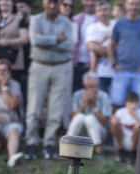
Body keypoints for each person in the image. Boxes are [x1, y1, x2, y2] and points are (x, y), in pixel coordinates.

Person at [23, 0, 74, 160]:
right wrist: (55, 39)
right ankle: (31, 143)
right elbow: (35, 41)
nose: (52, 6)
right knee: (34, 107)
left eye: (55, 3)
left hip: (61, 66)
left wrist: (45, 40)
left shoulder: (67, 23)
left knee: (56, 108)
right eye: (49, 2)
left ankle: (49, 144)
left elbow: (68, 45)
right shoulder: (36, 20)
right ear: (44, 3)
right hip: (40, 65)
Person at [107, 0, 140, 109]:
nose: (134, 6)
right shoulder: (119, 23)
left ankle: (136, 126)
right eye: (131, 3)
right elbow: (111, 45)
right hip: (121, 71)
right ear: (126, 5)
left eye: (137, 4)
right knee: (116, 103)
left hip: (139, 72)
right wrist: (114, 64)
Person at [0, 0, 28, 81]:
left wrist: (8, 42)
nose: (4, 3)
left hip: (12, 61)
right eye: (1, 0)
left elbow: (24, 39)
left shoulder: (19, 19)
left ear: (12, 3)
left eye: (7, 1)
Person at [67, 71, 110, 151]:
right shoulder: (77, 94)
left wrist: (94, 106)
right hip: (81, 134)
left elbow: (104, 122)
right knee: (79, 117)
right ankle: (67, 145)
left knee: (90, 118)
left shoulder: (104, 96)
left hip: (99, 133)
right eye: (92, 86)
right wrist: (83, 105)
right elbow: (71, 118)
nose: (95, 89)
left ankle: (98, 148)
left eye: (97, 86)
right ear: (85, 85)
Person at [85, 0, 114, 92]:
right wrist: (111, 50)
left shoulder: (117, 25)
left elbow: (123, 47)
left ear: (110, 11)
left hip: (117, 72)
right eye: (100, 10)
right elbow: (91, 46)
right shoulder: (92, 28)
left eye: (105, 9)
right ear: (96, 12)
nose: (103, 12)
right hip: (99, 73)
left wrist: (100, 48)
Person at [110, 90, 140, 161]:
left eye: (136, 102)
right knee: (114, 121)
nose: (133, 105)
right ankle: (120, 149)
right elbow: (113, 126)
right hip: (122, 138)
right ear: (126, 103)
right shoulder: (120, 111)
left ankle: (133, 151)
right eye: (131, 102)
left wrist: (134, 116)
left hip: (137, 141)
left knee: (138, 126)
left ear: (139, 103)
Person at [70, 0, 96, 91]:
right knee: (77, 92)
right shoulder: (76, 19)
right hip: (77, 63)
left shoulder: (101, 19)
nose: (89, 3)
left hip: (95, 65)